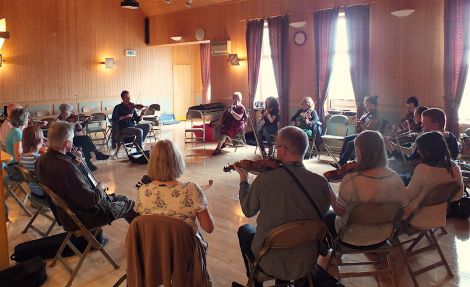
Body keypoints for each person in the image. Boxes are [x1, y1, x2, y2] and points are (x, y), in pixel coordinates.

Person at [233, 126, 331, 285]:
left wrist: (244, 180)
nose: (276, 150)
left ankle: (256, 279)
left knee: (244, 231)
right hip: (306, 260)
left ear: (284, 149)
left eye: (277, 146)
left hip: (271, 261)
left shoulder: (265, 180)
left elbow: (248, 210)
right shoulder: (321, 183)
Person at [36, 121, 139, 232]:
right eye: (72, 141)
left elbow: (63, 181)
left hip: (65, 215)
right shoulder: (67, 168)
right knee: (129, 204)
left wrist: (75, 164)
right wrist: (101, 187)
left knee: (122, 199)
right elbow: (91, 200)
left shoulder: (41, 160)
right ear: (67, 144)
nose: (73, 143)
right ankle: (141, 239)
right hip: (85, 216)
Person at [325, 130, 406, 246]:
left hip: (352, 238)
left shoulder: (351, 179)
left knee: (327, 214)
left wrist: (328, 189)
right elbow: (402, 208)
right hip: (383, 237)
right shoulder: (396, 177)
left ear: (359, 151)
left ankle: (334, 248)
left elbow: (340, 212)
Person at [135, 139, 214, 234]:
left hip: (154, 247)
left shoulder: (143, 190)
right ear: (177, 161)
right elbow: (208, 228)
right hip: (184, 247)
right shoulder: (191, 189)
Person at [404, 131, 463, 229]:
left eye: (419, 149)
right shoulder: (454, 167)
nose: (418, 152)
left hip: (416, 217)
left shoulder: (423, 169)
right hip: (439, 216)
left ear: (428, 150)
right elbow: (458, 195)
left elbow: (407, 196)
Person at [57, 103, 109, 171]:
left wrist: (84, 123)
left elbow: (77, 129)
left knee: (85, 142)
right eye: (69, 111)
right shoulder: (58, 121)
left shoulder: (67, 120)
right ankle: (95, 156)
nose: (70, 113)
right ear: (64, 111)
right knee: (85, 139)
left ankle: (91, 161)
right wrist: (72, 127)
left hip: (72, 138)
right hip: (66, 141)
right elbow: (62, 134)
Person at [334, 95, 382, 167]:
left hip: (371, 137)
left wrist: (362, 123)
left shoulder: (376, 115)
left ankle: (342, 162)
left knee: (351, 143)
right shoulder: (369, 114)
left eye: (368, 105)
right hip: (364, 134)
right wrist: (359, 125)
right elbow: (363, 129)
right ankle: (341, 161)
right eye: (366, 105)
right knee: (346, 138)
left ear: (374, 105)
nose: (367, 107)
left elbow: (369, 130)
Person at [20, 125, 46, 198]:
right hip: (44, 193)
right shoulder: (37, 158)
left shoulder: (22, 156)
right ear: (41, 140)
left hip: (34, 190)